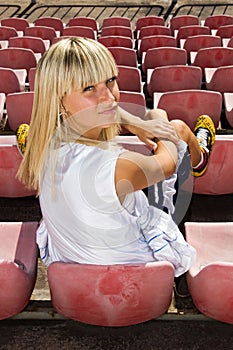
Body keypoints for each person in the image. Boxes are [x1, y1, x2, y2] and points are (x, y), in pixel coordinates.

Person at [17, 37, 215, 277]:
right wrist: (155, 117)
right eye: (89, 88)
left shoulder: (45, 146)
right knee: (179, 128)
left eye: (110, 81)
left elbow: (106, 105)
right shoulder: (119, 165)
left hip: (74, 274)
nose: (109, 97)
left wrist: (135, 123)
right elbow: (168, 164)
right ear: (59, 99)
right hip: (138, 276)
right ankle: (199, 158)